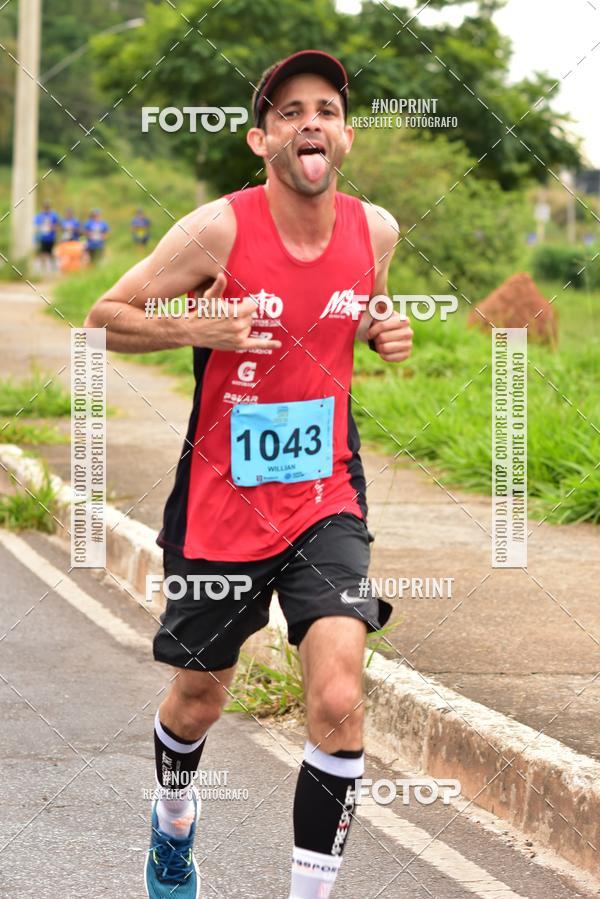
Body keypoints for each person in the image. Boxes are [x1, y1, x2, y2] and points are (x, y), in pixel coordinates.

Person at [85, 49, 413, 899]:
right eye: (291, 110)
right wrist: (204, 327)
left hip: (325, 495)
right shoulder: (217, 230)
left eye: (327, 110)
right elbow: (107, 317)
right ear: (259, 138)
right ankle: (173, 824)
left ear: (344, 137)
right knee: (198, 698)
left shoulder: (377, 230)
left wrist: (383, 327)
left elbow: (357, 299)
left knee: (339, 700)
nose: (312, 121)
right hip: (222, 503)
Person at [33, 201, 60, 272]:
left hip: (51, 237)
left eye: (47, 207)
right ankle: (43, 269)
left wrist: (53, 228)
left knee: (52, 253)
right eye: (45, 207)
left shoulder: (54, 215)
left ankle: (54, 268)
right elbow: (36, 226)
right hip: (42, 237)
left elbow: (57, 226)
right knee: (43, 253)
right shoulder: (40, 216)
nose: (46, 208)